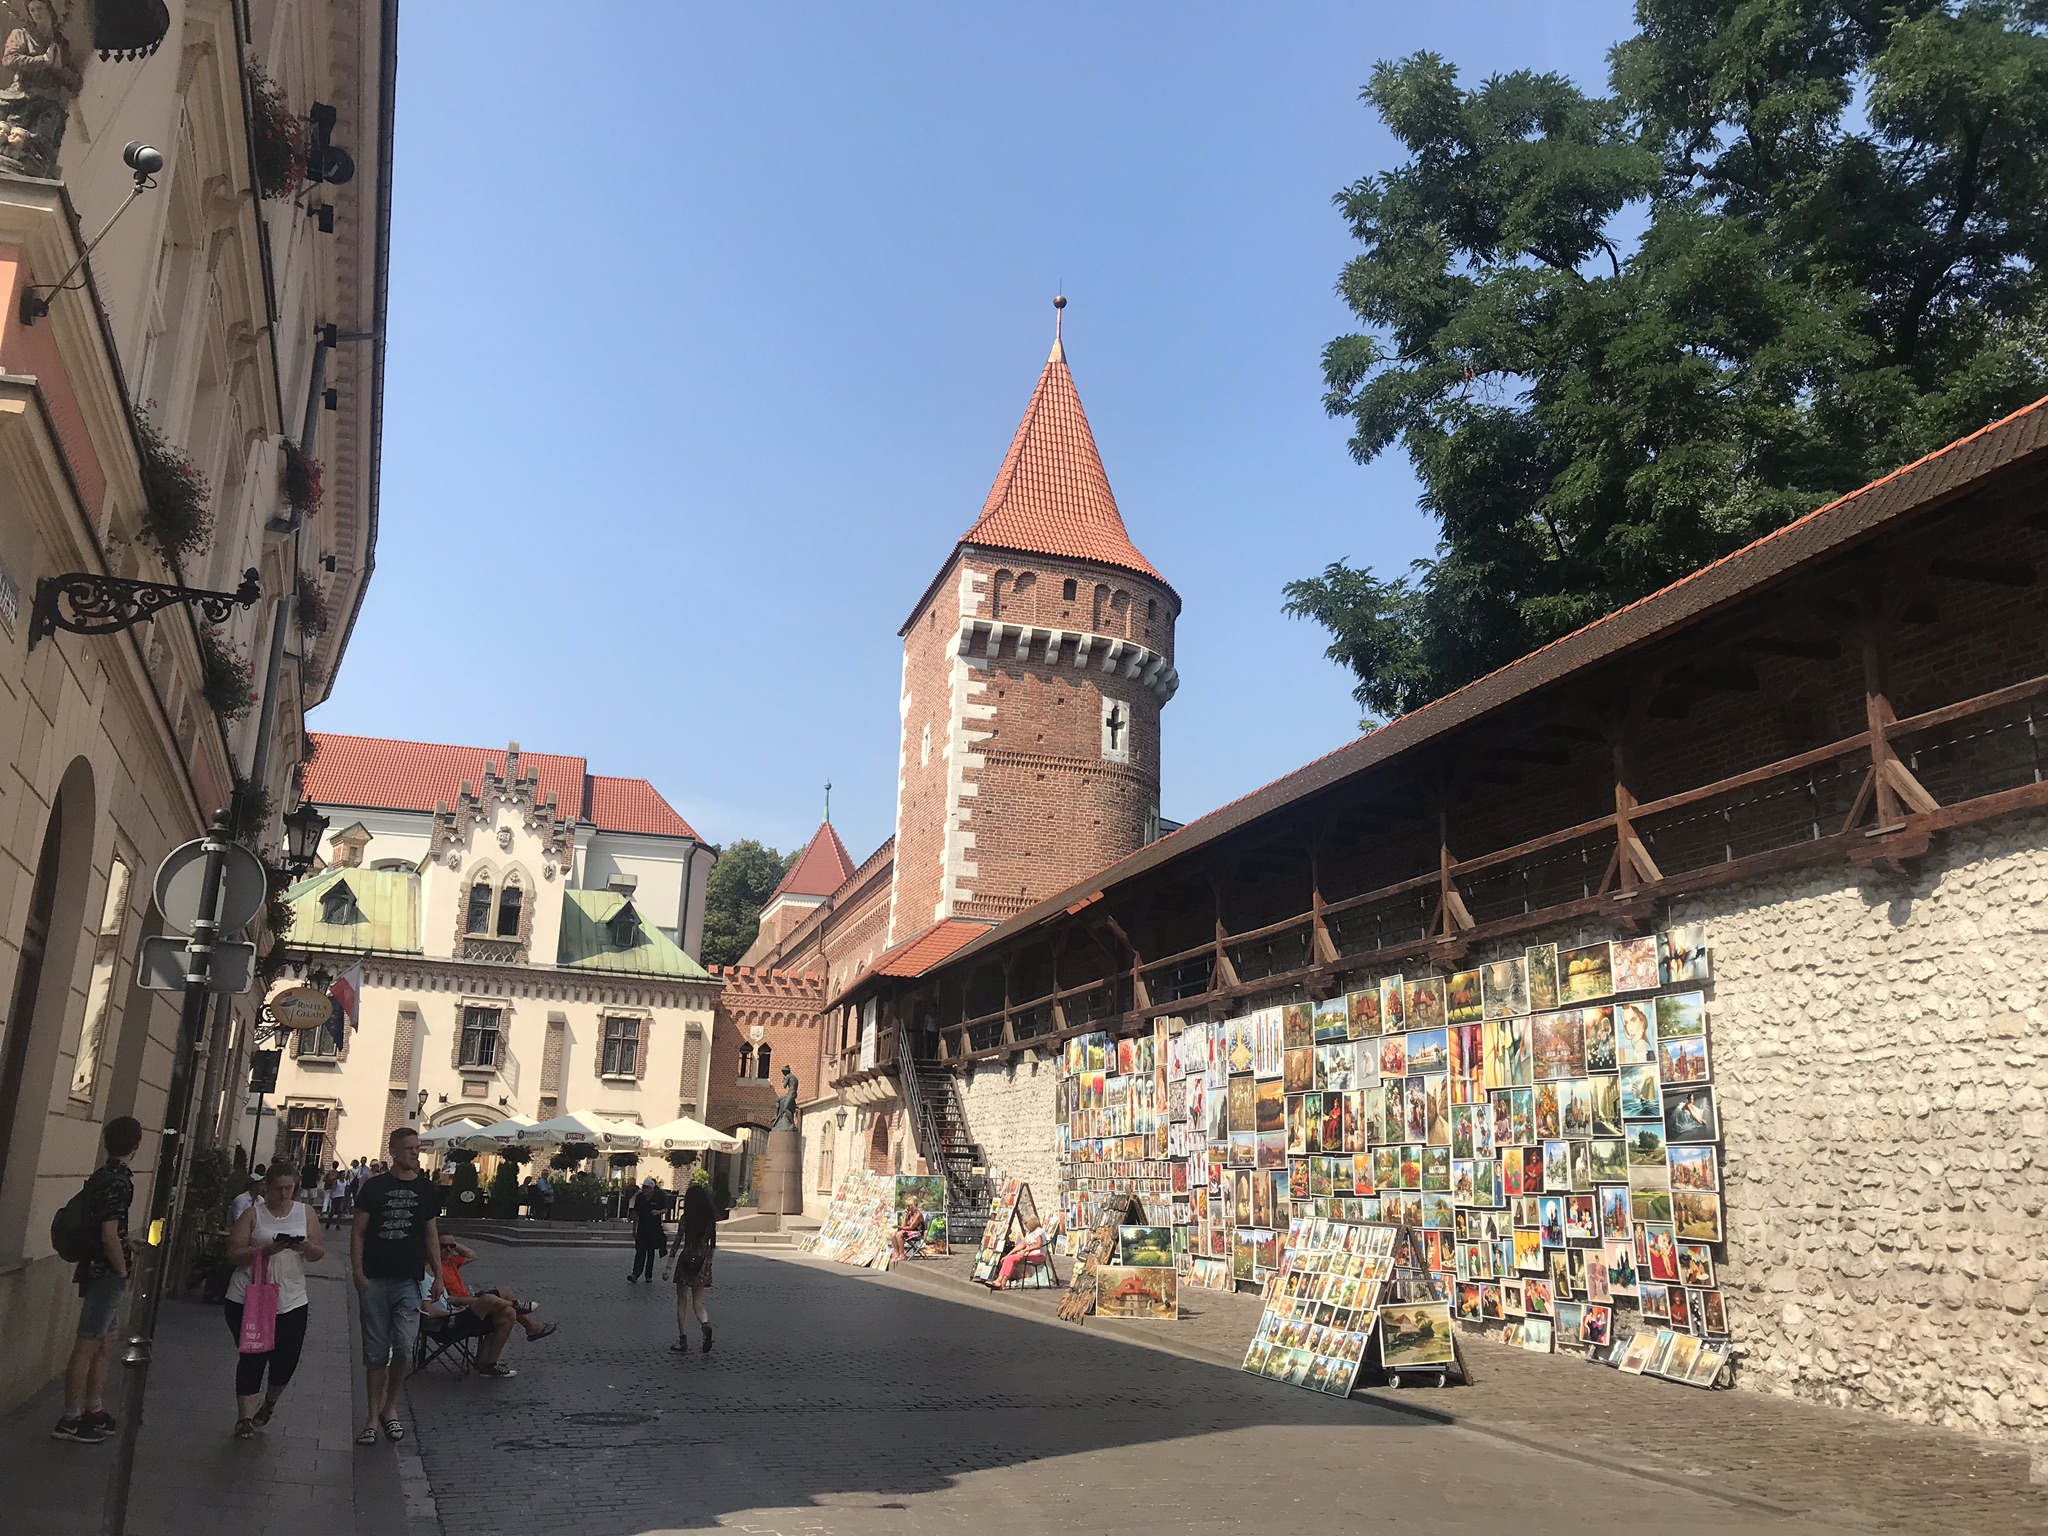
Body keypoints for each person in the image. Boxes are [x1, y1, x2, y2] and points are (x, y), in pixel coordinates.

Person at [52, 1116, 143, 1443]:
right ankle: (71, 1418)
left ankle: (94, 1409)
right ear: (135, 1146)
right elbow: (107, 1233)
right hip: (105, 1273)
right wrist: (121, 1268)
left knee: (105, 1342)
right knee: (89, 1343)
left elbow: (105, 1228)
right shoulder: (119, 1182)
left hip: (97, 1267)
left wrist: (125, 1241)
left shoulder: (102, 1176)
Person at [352, 1126, 444, 1445]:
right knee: (376, 1353)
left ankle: (390, 1407)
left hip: (409, 1280)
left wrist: (439, 1275)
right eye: (408, 1148)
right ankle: (371, 1416)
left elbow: (431, 1233)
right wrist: (358, 1272)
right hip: (375, 1279)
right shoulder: (375, 1188)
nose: (414, 1153)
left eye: (417, 1148)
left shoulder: (427, 1189)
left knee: (404, 1346)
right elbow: (359, 1232)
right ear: (393, 1151)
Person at [223, 1160, 324, 1438]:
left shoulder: (306, 1213)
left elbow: (317, 1252)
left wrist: (305, 1246)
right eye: (278, 1189)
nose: (283, 1194)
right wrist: (265, 1250)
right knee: (253, 1355)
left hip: (290, 1298)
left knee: (286, 1359)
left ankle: (269, 1401)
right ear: (266, 1187)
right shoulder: (253, 1214)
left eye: (289, 1188)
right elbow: (233, 1253)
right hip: (249, 1296)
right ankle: (244, 1417)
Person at [434, 1237, 556, 1376]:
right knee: (503, 1295)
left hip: (471, 1301)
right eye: (444, 1246)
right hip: (459, 1310)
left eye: (451, 1246)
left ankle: (488, 1363)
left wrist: (455, 1245)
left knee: (508, 1313)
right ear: (435, 1247)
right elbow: (449, 1300)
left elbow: (472, 1255)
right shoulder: (434, 1268)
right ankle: (526, 1318)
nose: (448, 1249)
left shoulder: (451, 1261)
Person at [662, 1182, 715, 1354]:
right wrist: (708, 1263)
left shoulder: (686, 1218)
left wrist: (669, 1266)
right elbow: (712, 1245)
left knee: (681, 1301)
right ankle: (705, 1325)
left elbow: (677, 1242)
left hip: (686, 1260)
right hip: (702, 1261)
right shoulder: (709, 1220)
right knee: (698, 1303)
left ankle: (683, 1339)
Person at [987, 1216, 1049, 1288]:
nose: (1027, 1227)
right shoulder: (1029, 1233)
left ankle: (1000, 1281)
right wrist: (1009, 1254)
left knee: (1011, 1259)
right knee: (1009, 1258)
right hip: (1028, 1254)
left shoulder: (1038, 1231)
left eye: (1028, 1224)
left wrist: (1026, 1250)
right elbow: (1022, 1245)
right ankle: (1001, 1281)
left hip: (1038, 1255)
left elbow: (1039, 1245)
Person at [626, 1177, 667, 1282]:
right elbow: (636, 1213)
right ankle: (635, 1274)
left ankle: (648, 1275)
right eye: (644, 1188)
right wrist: (634, 1228)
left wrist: (658, 1212)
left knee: (650, 1253)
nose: (645, 1190)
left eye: (647, 1188)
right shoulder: (640, 1198)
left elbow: (665, 1209)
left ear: (652, 1189)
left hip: (654, 1228)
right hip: (642, 1228)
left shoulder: (659, 1197)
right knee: (640, 1251)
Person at [890, 1194, 928, 1261]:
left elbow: (911, 1227)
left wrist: (899, 1227)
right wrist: (906, 1216)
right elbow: (903, 1226)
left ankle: (902, 1254)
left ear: (913, 1206)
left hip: (917, 1233)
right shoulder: (910, 1213)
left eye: (909, 1206)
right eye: (906, 1206)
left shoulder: (918, 1214)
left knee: (899, 1234)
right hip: (910, 1232)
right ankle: (897, 1253)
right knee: (893, 1235)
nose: (907, 1207)